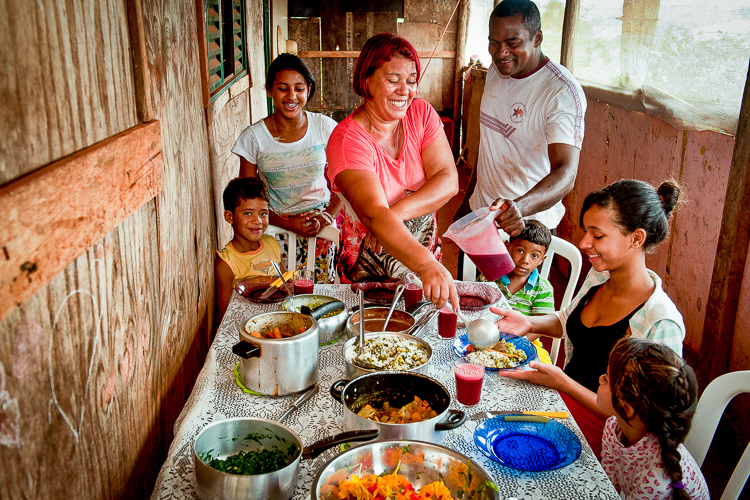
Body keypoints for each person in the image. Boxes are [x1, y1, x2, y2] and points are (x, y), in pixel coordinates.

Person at [492, 179, 686, 456]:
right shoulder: (599, 275)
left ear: (636, 238)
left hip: (608, 440)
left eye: (597, 236)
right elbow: (567, 320)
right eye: (585, 232)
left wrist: (564, 383)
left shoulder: (661, 322)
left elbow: (642, 424)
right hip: (561, 406)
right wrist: (530, 322)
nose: (584, 243)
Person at [325, 33, 460, 308]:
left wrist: (394, 214)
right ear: (366, 81)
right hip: (369, 275)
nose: (405, 90)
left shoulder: (421, 114)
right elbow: (374, 213)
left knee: (422, 336)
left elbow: (448, 181)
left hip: (424, 262)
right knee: (371, 340)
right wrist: (426, 264)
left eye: (411, 81)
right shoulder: (347, 139)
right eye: (393, 80)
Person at [455, 0, 586, 236]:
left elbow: (566, 173)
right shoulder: (497, 70)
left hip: (527, 229)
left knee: (517, 275)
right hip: (483, 217)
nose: (501, 53)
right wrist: (469, 202)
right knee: (471, 275)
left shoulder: (560, 92)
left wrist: (519, 208)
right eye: (493, 44)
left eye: (512, 43)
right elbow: (489, 146)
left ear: (537, 38)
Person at [232, 53, 341, 283]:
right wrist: (287, 223)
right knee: (280, 292)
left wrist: (326, 217)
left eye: (299, 88)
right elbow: (248, 200)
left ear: (309, 90)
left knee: (319, 294)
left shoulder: (324, 128)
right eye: (283, 88)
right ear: (270, 90)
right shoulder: (254, 138)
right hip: (273, 228)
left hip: (320, 227)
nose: (292, 96)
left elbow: (346, 181)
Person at [598, 338, 709, 499]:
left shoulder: (655, 478)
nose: (600, 379)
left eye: (607, 379)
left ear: (627, 409)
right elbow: (606, 486)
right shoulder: (613, 427)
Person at [483, 219, 555, 363]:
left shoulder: (543, 289)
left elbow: (540, 327)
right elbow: (479, 311)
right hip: (487, 338)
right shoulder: (489, 278)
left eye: (534, 255)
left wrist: (514, 344)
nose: (525, 260)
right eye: (520, 251)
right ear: (507, 246)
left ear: (542, 259)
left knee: (542, 368)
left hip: (527, 342)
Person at [215, 177, 282, 321]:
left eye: (263, 213)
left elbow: (284, 285)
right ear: (229, 216)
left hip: (278, 319)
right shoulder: (227, 264)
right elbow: (223, 318)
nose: (257, 221)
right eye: (248, 213)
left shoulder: (272, 244)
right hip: (246, 327)